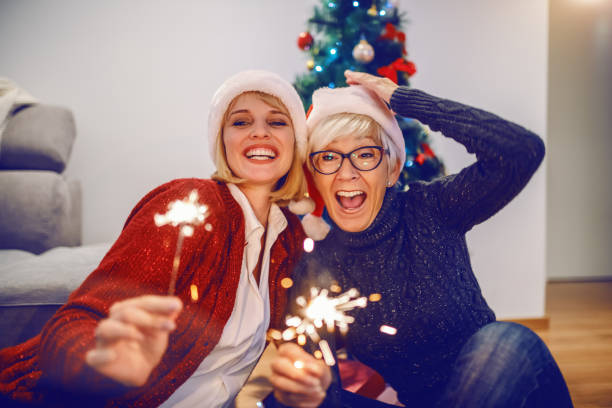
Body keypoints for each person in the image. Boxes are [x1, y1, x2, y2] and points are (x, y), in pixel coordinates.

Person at [0, 70, 310, 407]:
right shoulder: (193, 205)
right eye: (240, 122)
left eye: (277, 122)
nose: (259, 132)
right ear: (222, 140)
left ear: (296, 140)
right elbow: (72, 324)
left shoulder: (289, 234)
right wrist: (101, 359)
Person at [266, 71, 573, 407]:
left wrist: (404, 100)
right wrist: (307, 383)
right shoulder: (316, 263)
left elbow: (521, 152)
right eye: (328, 156)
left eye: (365, 154)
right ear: (313, 174)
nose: (346, 172)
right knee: (279, 402)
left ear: (393, 169)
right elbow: (319, 379)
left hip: (507, 391)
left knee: (504, 341)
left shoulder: (432, 207)